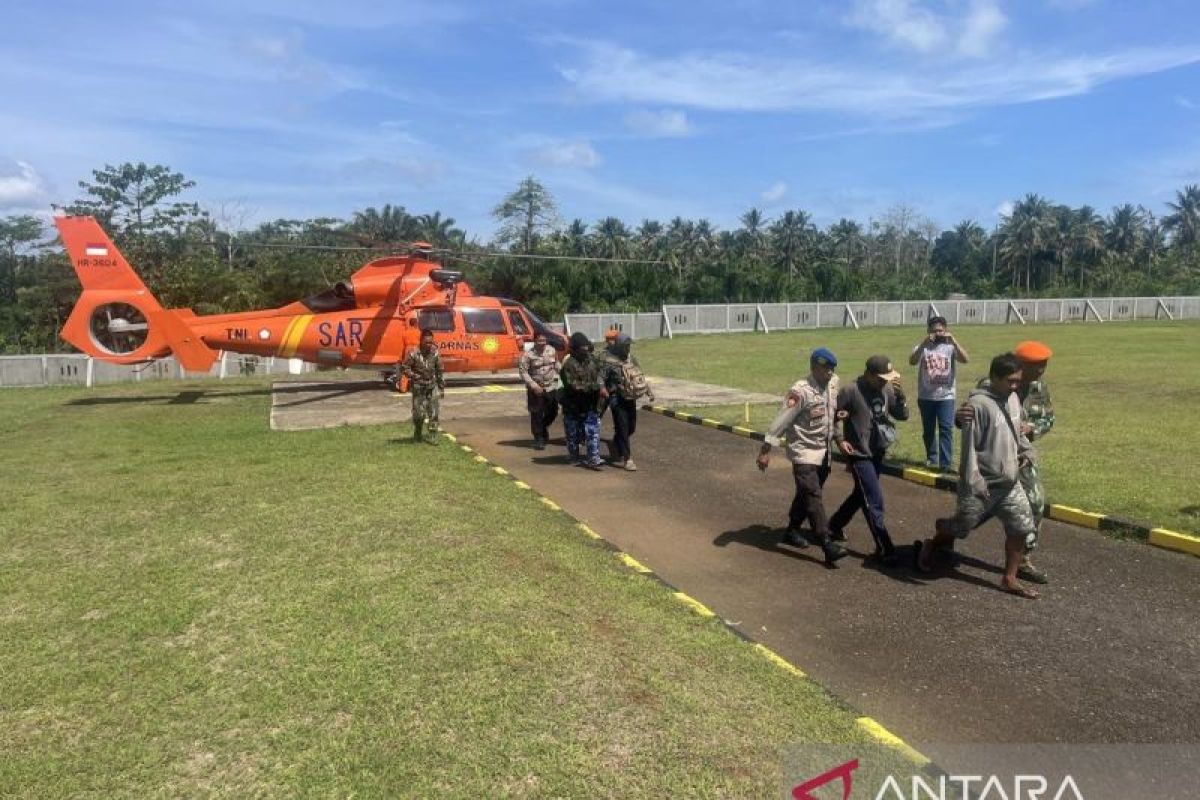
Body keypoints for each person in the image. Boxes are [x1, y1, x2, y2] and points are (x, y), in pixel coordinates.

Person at [919, 353, 1040, 599]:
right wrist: (975, 480)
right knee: (962, 527)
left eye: (1018, 380)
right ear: (994, 377)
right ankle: (936, 536)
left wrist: (1027, 451)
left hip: (1009, 483)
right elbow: (969, 448)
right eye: (1010, 381)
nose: (1015, 386)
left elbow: (1016, 431)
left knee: (1021, 528)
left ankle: (1009, 578)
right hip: (982, 483)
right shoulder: (977, 406)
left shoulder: (1014, 398)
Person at [954, 340, 1055, 584]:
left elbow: (1048, 418)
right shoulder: (990, 385)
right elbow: (970, 416)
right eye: (1035, 366)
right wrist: (959, 417)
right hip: (990, 464)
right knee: (971, 517)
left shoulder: (1038, 388)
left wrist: (1032, 428)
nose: (1040, 371)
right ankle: (945, 537)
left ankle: (1022, 561)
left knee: (1035, 503)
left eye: (1044, 365)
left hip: (1020, 457)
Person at [756, 347, 849, 566]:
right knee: (812, 494)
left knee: (806, 493)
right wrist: (765, 450)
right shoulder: (801, 391)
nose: (830, 373)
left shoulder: (833, 383)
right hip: (803, 450)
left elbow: (832, 415)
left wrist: (838, 439)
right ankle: (827, 543)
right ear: (815, 367)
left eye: (832, 369)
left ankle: (792, 530)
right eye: (826, 369)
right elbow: (782, 420)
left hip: (824, 450)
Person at [828, 355, 910, 565]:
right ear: (869, 374)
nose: (885, 382)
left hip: (877, 452)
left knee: (861, 494)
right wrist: (839, 440)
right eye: (881, 378)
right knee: (873, 499)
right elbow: (832, 417)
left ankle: (834, 525)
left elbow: (902, 415)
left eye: (887, 378)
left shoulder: (887, 390)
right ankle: (885, 548)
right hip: (859, 454)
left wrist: (901, 398)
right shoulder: (851, 391)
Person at [909, 316, 969, 472]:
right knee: (928, 430)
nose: (938, 334)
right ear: (928, 331)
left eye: (941, 331)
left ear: (946, 330)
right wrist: (923, 343)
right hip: (926, 396)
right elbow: (912, 361)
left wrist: (954, 341)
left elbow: (965, 359)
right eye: (934, 331)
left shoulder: (950, 347)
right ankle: (932, 457)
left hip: (946, 396)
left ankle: (945, 464)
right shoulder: (923, 347)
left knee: (946, 429)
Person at [601, 332, 655, 470]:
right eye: (625, 346)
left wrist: (648, 390)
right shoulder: (609, 361)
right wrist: (603, 389)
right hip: (616, 398)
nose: (628, 348)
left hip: (630, 397)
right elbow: (600, 377)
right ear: (618, 345)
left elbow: (639, 375)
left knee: (631, 427)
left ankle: (617, 443)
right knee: (623, 427)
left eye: (629, 346)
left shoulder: (632, 359)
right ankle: (628, 459)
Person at [559, 332, 607, 469]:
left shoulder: (592, 359)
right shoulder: (569, 364)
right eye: (582, 350)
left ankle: (593, 457)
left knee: (593, 431)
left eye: (586, 349)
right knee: (573, 433)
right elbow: (573, 385)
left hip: (591, 403)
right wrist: (596, 387)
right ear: (574, 349)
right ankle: (573, 456)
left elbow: (600, 374)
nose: (585, 352)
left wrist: (602, 385)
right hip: (573, 404)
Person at [398, 329, 444, 443]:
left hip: (432, 386)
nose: (429, 345)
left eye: (431, 342)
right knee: (418, 413)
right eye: (427, 342)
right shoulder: (413, 353)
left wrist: (441, 387)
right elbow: (405, 367)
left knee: (434, 412)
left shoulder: (435, 352)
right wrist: (414, 375)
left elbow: (440, 370)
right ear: (421, 341)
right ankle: (418, 432)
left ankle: (433, 435)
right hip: (418, 387)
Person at [518, 332, 561, 450]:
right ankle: (539, 439)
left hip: (551, 386)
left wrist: (562, 372)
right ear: (535, 341)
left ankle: (542, 427)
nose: (542, 343)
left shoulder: (551, 350)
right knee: (536, 413)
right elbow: (523, 372)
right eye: (540, 341)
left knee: (553, 411)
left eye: (544, 341)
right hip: (536, 388)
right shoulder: (528, 355)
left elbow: (556, 363)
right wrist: (533, 385)